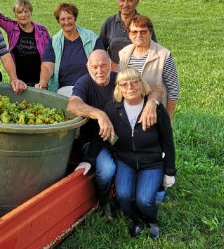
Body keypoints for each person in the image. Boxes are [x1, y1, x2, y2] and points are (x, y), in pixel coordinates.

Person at [67, 50, 158, 217]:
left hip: (120, 139)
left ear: (111, 65)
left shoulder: (120, 79)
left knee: (140, 158)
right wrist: (100, 115)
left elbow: (154, 88)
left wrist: (151, 103)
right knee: (107, 169)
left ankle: (145, 192)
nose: (99, 71)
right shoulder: (84, 83)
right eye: (94, 67)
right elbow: (72, 105)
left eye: (103, 66)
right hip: (94, 141)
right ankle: (104, 200)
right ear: (88, 67)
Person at [104, 67, 176, 239]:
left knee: (144, 200)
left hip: (152, 162)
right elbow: (107, 136)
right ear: (119, 88)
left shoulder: (155, 109)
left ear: (141, 84)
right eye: (124, 84)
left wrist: (170, 172)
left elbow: (168, 142)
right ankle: (137, 221)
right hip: (126, 161)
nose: (130, 87)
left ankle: (152, 221)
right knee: (124, 197)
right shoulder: (112, 108)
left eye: (134, 82)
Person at [118, 14, 179, 123]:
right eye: (134, 32)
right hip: (128, 113)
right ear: (129, 34)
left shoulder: (163, 55)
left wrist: (168, 119)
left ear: (150, 33)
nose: (138, 35)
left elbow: (173, 90)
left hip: (155, 114)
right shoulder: (124, 54)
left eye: (143, 31)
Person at [0, 0, 52, 88]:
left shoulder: (42, 31)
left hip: (39, 82)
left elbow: (49, 58)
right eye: (19, 12)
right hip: (19, 82)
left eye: (26, 11)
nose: (23, 15)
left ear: (31, 12)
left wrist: (44, 81)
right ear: (15, 15)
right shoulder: (11, 27)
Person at [43, 2, 104, 96]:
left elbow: (101, 62)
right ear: (58, 21)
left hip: (88, 90)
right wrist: (43, 82)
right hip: (62, 91)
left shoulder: (92, 39)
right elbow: (47, 66)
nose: (66, 22)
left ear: (75, 18)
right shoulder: (54, 42)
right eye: (62, 19)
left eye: (69, 18)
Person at [99, 0, 156, 69]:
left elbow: (153, 49)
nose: (125, 4)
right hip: (114, 74)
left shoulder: (144, 23)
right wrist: (109, 63)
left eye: (130, 0)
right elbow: (100, 49)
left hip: (139, 74)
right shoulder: (109, 22)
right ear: (118, 1)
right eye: (122, 0)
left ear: (137, 2)